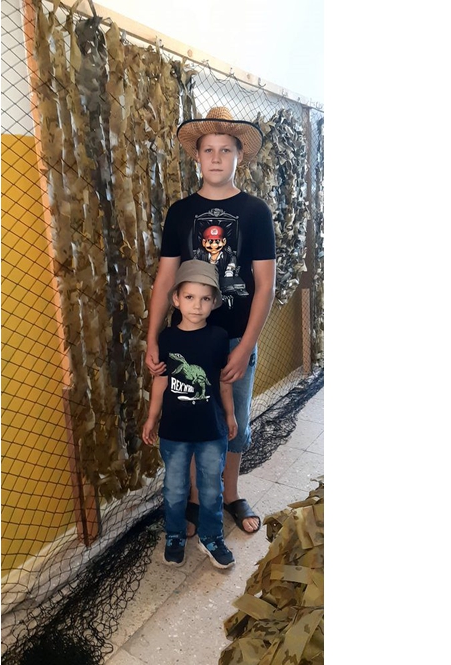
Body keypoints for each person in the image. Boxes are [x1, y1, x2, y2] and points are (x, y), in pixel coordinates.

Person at [146, 106, 276, 537]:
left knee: (234, 417)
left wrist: (245, 346)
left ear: (239, 156)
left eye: (226, 150)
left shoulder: (256, 212)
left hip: (235, 338)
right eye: (208, 150)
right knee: (192, 414)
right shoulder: (180, 212)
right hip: (186, 338)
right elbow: (165, 278)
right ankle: (197, 500)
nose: (216, 158)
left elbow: (265, 285)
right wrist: (152, 338)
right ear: (197, 157)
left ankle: (230, 493)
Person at [141, 260, 238, 569]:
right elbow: (161, 381)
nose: (197, 305)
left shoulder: (219, 337)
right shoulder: (167, 339)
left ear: (214, 301)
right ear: (176, 299)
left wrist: (231, 416)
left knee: (211, 488)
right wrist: (151, 418)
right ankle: (175, 535)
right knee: (175, 488)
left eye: (205, 298)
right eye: (190, 297)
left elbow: (223, 382)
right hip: (174, 431)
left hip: (211, 430)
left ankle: (212, 537)